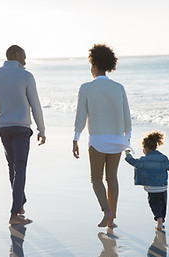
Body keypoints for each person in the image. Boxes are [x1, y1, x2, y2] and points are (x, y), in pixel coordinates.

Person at [73, 44, 132, 228]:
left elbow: (81, 116)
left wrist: (76, 138)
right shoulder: (119, 87)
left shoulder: (86, 88)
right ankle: (112, 219)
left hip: (98, 140)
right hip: (118, 140)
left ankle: (106, 211)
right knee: (112, 178)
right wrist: (127, 139)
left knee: (96, 179)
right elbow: (127, 115)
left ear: (94, 65)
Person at [0, 45, 46, 225]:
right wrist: (42, 130)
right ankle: (14, 213)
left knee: (12, 167)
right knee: (20, 168)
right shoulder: (26, 76)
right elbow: (36, 105)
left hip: (4, 128)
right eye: (24, 56)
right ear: (17, 55)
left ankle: (19, 205)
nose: (26, 61)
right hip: (21, 128)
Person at [125, 131, 169, 230]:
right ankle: (161, 219)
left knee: (154, 203)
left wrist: (127, 154)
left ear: (145, 148)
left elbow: (133, 162)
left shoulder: (143, 160)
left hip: (151, 188)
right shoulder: (163, 158)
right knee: (163, 203)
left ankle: (158, 219)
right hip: (162, 186)